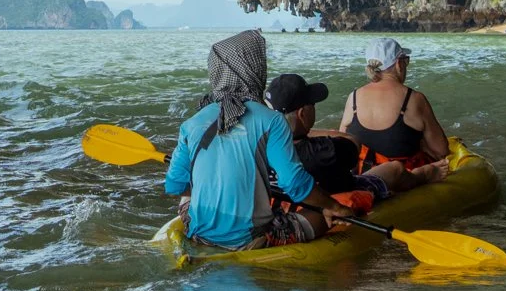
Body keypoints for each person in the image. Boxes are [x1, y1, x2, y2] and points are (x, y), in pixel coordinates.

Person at [164, 32, 353, 249]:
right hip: (248, 238)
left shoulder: (193, 121)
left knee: (189, 200)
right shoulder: (271, 120)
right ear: (254, 67)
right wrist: (334, 207)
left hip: (195, 229)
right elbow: (295, 184)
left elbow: (175, 185)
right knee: (319, 214)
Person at [265, 73, 445, 202]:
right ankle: (425, 175)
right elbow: (352, 141)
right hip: (340, 193)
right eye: (312, 104)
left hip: (282, 200)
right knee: (395, 169)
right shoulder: (324, 151)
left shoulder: (256, 145)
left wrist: (279, 131)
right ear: (302, 114)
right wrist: (308, 131)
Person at [341, 38, 451, 170]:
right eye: (406, 61)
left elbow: (343, 140)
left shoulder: (353, 98)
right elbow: (441, 150)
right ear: (399, 63)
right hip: (406, 179)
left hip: (364, 177)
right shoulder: (414, 99)